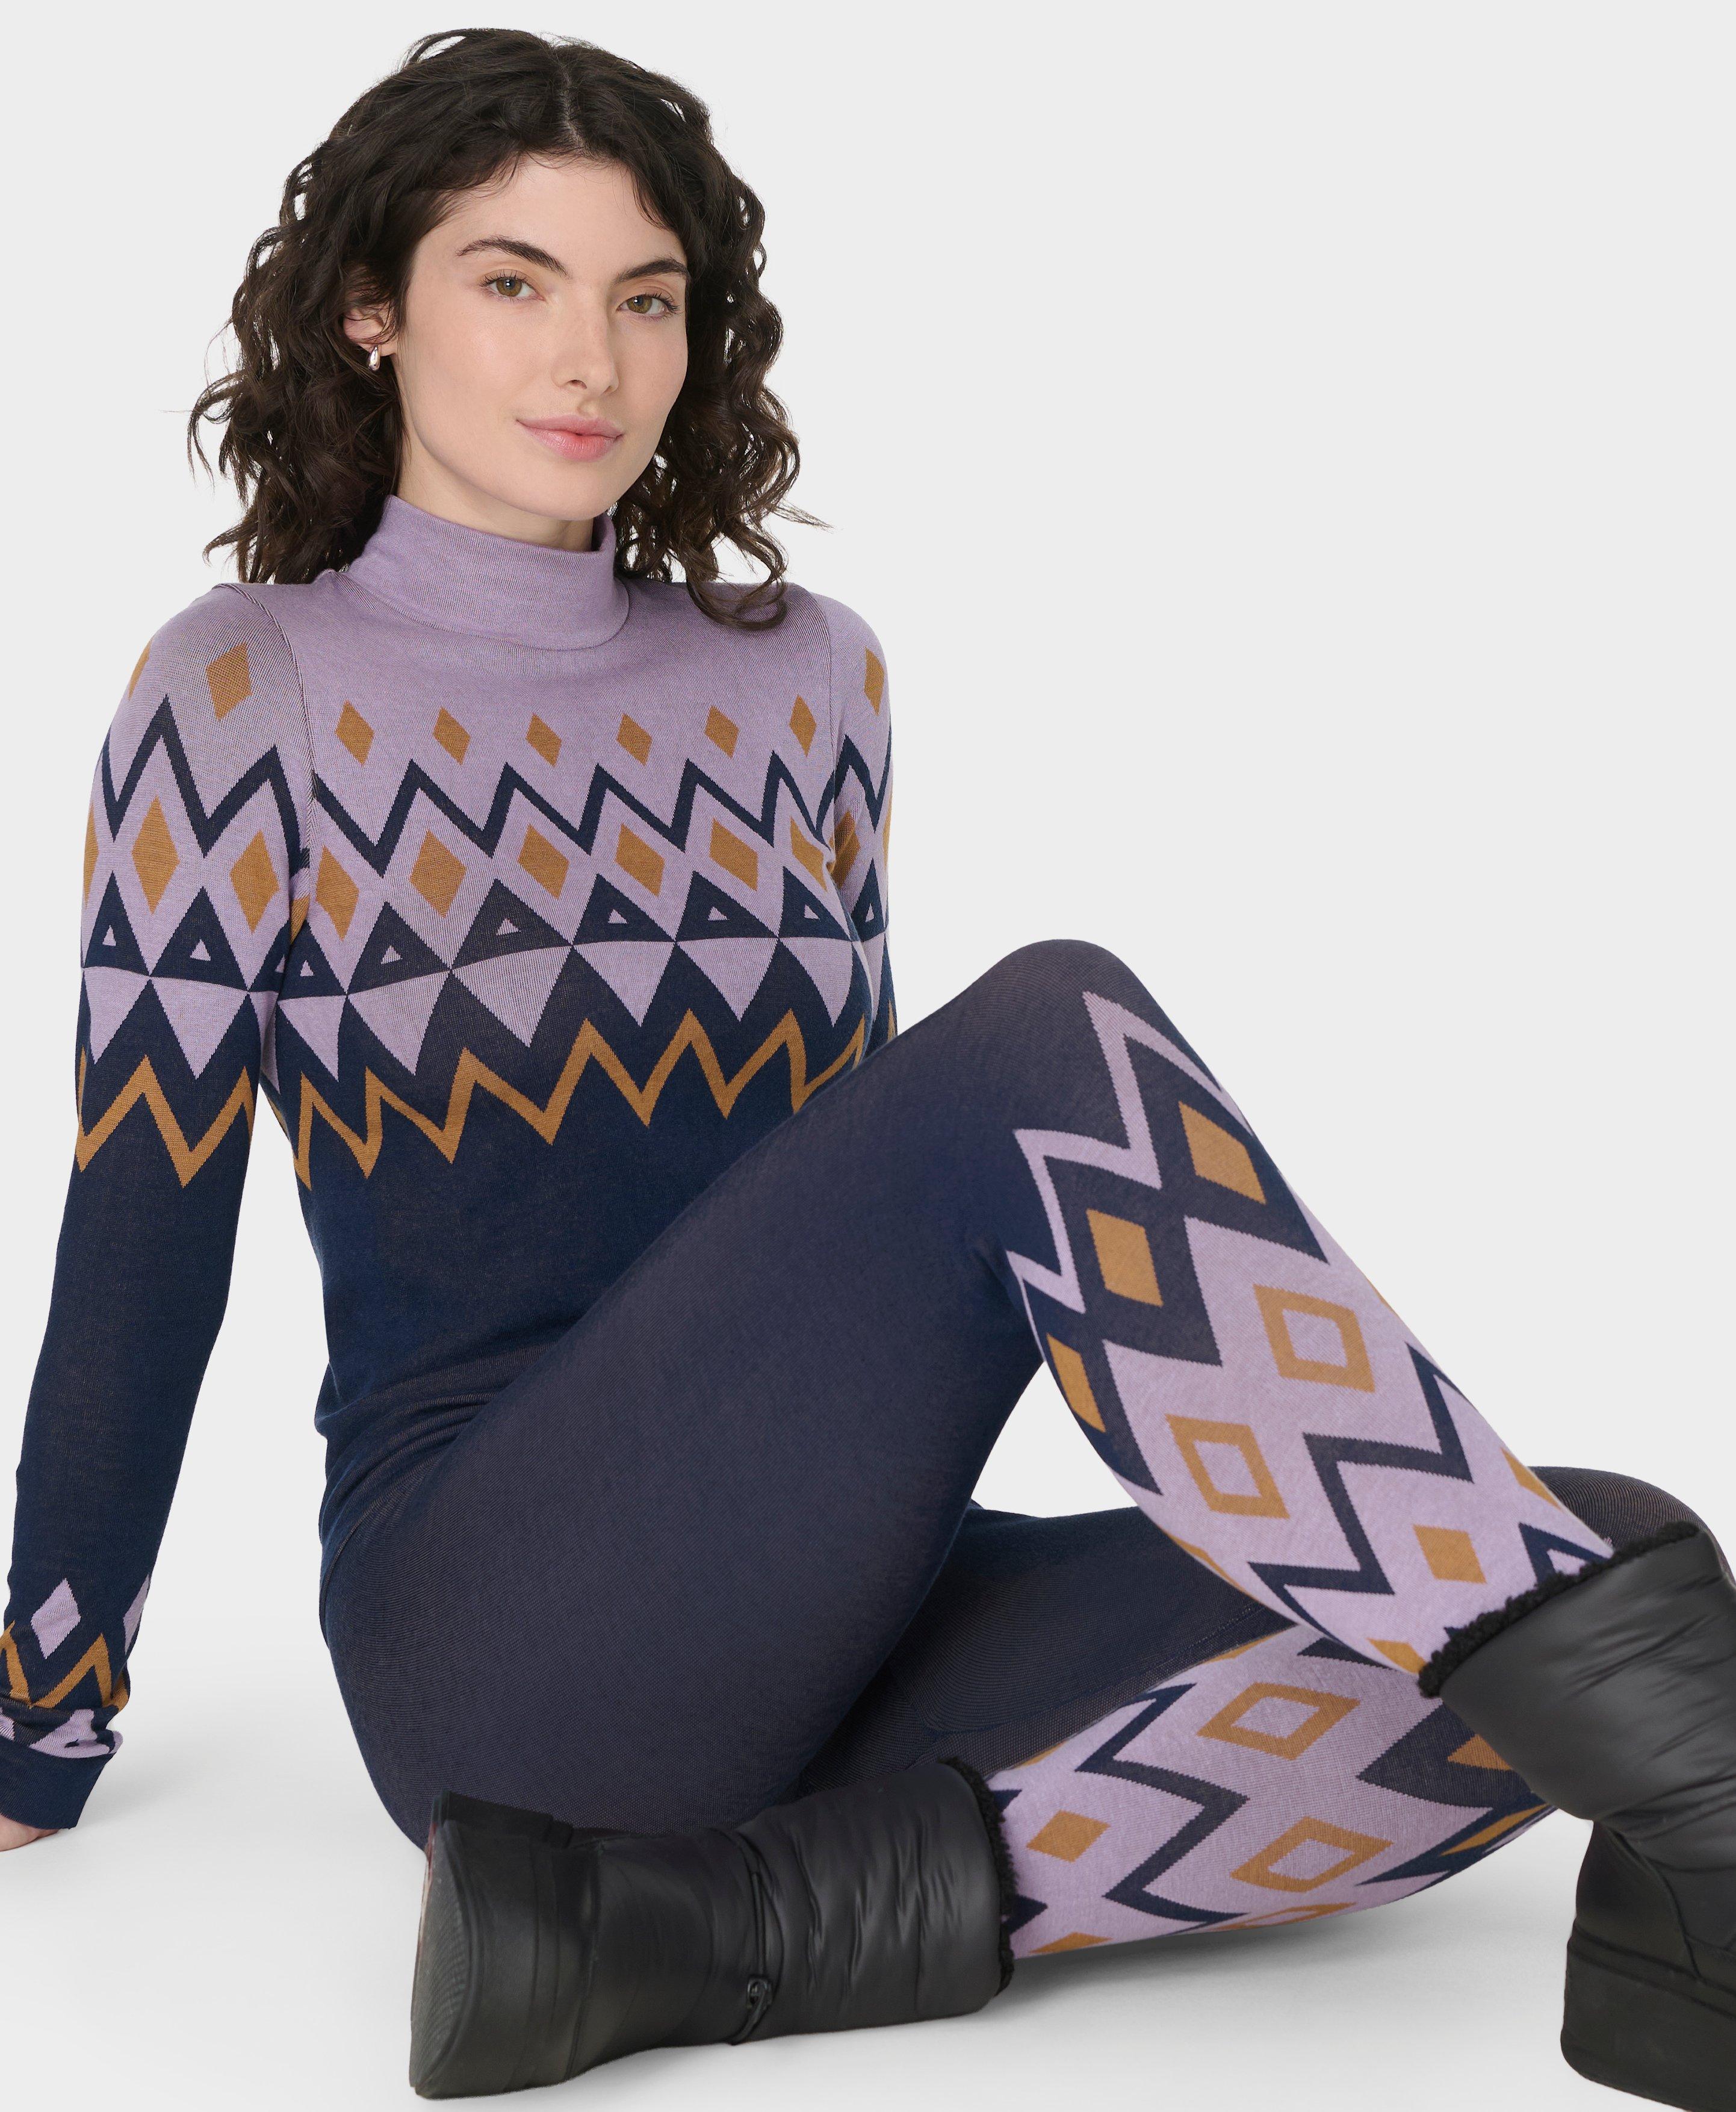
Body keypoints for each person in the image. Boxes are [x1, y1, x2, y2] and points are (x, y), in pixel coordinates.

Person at [4, 27, 1733, 2111]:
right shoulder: (246, 687)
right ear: (373, 309)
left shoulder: (804, 675)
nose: (591, 359)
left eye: (646, 297)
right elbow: (145, 1232)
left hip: (829, 1598)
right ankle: (1725, 1817)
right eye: (512, 280)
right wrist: (38, 1724)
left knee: (1582, 1560)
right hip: (505, 1632)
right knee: (1046, 1052)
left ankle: (683, 1924)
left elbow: (862, 1202)